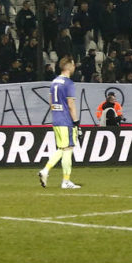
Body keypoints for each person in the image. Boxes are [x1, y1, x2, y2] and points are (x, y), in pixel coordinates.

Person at [38, 57, 83, 189]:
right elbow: (71, 104)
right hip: (66, 121)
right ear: (69, 66)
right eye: (73, 65)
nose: (74, 67)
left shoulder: (54, 82)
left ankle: (45, 170)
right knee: (68, 149)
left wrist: (57, 113)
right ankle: (66, 181)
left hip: (56, 119)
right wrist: (76, 122)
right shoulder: (68, 83)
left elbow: (51, 101)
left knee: (62, 148)